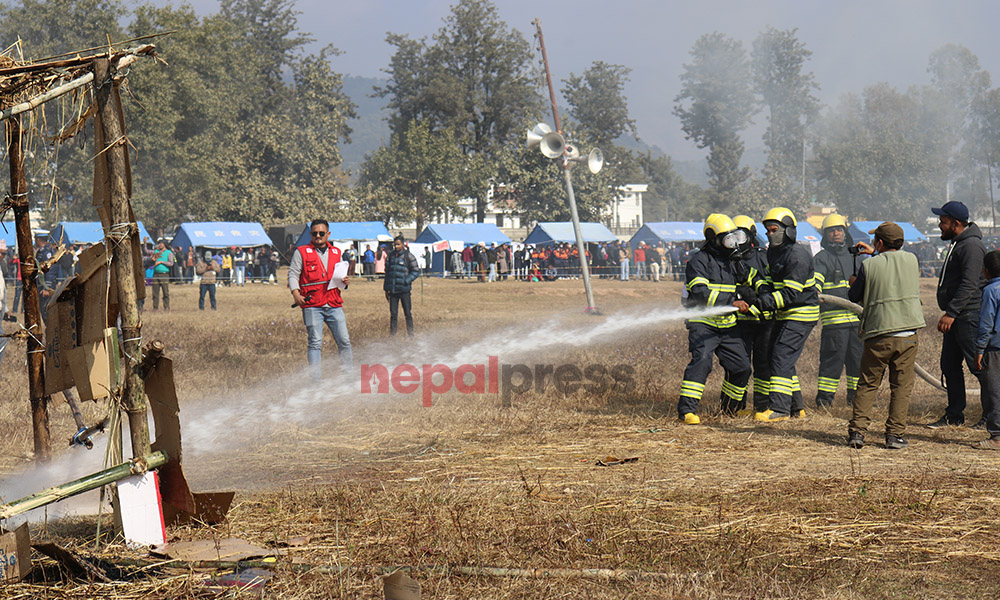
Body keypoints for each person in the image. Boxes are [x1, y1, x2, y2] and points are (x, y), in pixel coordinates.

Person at [846, 222, 925, 449]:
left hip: (878, 334)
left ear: (879, 242)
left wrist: (855, 279)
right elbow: (893, 263)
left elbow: (854, 295)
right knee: (900, 387)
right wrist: (876, 254)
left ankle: (858, 433)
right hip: (908, 333)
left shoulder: (868, 266)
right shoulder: (912, 260)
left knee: (868, 384)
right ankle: (895, 436)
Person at [678, 214, 753, 424]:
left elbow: (745, 284)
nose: (731, 243)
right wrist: (732, 302)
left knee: (741, 367)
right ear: (713, 238)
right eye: (726, 238)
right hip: (704, 324)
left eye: (733, 238)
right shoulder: (699, 261)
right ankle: (687, 411)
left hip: (727, 325)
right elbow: (701, 294)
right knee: (702, 363)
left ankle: (730, 408)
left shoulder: (731, 261)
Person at [752, 207, 819, 422]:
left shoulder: (797, 255)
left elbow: (790, 293)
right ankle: (796, 407)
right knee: (780, 357)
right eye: (768, 231)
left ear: (789, 230)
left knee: (781, 355)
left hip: (801, 313)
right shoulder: (774, 252)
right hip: (785, 313)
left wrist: (765, 302)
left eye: (774, 230)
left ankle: (779, 410)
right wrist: (759, 293)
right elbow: (772, 284)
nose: (771, 235)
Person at [927, 200, 986, 428]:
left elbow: (970, 284)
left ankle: (992, 417)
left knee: (980, 367)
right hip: (958, 315)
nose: (940, 225)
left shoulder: (971, 246)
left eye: (943, 221)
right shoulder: (958, 242)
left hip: (968, 315)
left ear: (957, 223)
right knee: (949, 365)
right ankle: (954, 414)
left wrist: (951, 312)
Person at [288, 219, 353, 374]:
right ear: (311, 234)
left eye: (321, 233)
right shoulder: (301, 252)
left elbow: (339, 276)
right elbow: (293, 274)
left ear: (328, 234)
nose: (318, 236)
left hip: (334, 303)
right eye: (314, 233)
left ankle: (349, 376)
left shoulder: (337, 253)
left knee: (344, 341)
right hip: (312, 305)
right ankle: (315, 381)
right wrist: (296, 293)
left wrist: (345, 281)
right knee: (315, 343)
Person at [813, 214, 864, 407]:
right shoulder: (821, 258)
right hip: (834, 325)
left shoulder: (854, 257)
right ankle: (825, 402)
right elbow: (815, 283)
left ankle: (856, 400)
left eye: (839, 230)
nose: (836, 233)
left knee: (857, 363)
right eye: (832, 230)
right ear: (825, 235)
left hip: (857, 323)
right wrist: (815, 290)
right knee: (831, 364)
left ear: (845, 233)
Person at [731, 215, 771, 416]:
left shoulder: (762, 257)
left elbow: (767, 289)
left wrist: (756, 304)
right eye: (732, 236)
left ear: (750, 235)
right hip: (739, 322)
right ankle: (735, 406)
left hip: (762, 321)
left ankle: (762, 406)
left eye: (740, 235)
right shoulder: (728, 259)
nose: (736, 241)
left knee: (763, 365)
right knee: (739, 364)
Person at [974, 250, 1000, 449]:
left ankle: (997, 436)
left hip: (994, 348)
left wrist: (979, 349)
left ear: (986, 271)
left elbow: (986, 323)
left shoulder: (991, 291)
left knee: (994, 391)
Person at [384, 234, 420, 336]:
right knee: (393, 315)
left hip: (404, 290)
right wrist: (386, 289)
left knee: (407, 313)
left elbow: (416, 271)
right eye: (395, 245)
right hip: (393, 291)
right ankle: (393, 335)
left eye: (398, 244)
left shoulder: (408, 256)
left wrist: (406, 281)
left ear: (403, 245)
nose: (396, 247)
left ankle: (410, 334)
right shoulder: (390, 256)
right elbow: (387, 273)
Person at [150, 239, 173, 311]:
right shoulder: (156, 252)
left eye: (161, 243)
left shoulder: (169, 253)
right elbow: (147, 251)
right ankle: (155, 307)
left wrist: (161, 262)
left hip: (164, 274)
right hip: (155, 274)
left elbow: (171, 263)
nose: (160, 245)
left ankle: (166, 307)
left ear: (165, 244)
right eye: (159, 243)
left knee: (165, 292)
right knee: (155, 292)